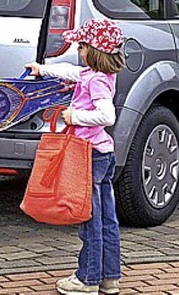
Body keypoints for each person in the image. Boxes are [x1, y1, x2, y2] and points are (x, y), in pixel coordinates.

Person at [25, 18, 125, 295]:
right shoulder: (95, 75)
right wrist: (42, 69)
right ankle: (109, 277)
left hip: (88, 156)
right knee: (107, 219)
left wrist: (74, 116)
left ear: (93, 50)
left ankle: (87, 279)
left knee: (89, 218)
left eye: (81, 45)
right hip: (102, 154)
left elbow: (107, 115)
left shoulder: (96, 82)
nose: (78, 50)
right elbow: (69, 72)